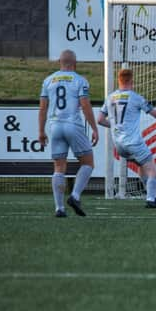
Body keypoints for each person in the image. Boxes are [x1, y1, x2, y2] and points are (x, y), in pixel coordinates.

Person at [38, 49, 99, 217]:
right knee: (88, 163)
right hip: (73, 125)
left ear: (59, 62)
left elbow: (43, 108)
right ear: (75, 64)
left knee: (59, 167)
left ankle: (59, 208)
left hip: (55, 126)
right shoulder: (80, 80)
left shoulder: (48, 80)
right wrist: (94, 128)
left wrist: (41, 131)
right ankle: (75, 196)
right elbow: (85, 105)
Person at [97, 69, 156, 208]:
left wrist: (115, 126)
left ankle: (150, 193)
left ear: (119, 80)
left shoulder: (110, 97)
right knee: (153, 171)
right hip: (133, 141)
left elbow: (99, 120)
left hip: (119, 145)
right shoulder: (136, 97)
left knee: (142, 165)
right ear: (132, 81)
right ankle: (151, 199)